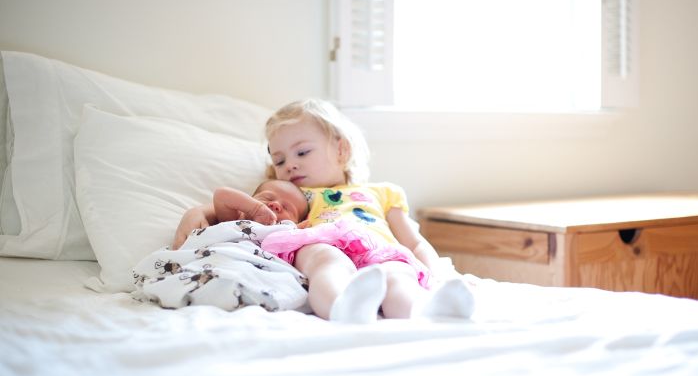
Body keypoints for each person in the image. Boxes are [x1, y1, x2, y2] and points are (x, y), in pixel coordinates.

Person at [256, 98, 475, 323]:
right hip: (324, 244)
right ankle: (342, 306)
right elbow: (267, 221)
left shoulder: (384, 192)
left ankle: (422, 310)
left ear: (341, 150)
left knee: (398, 273)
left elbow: (415, 243)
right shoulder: (294, 197)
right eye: (279, 161)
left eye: (302, 152)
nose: (290, 165)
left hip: (380, 251)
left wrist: (440, 276)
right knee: (326, 261)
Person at [172, 179, 309, 250]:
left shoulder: (285, 231)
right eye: (267, 197)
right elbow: (222, 195)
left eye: (287, 208)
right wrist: (256, 209)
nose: (275, 204)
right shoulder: (235, 219)